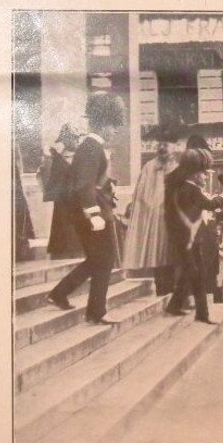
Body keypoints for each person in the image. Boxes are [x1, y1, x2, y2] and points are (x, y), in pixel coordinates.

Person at [46, 92, 126, 325]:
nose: (114, 130)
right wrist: (93, 214)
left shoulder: (92, 146)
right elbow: (83, 183)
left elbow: (90, 180)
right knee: (105, 259)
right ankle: (96, 312)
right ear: (102, 122)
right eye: (112, 125)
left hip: (91, 210)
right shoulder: (91, 146)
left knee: (97, 259)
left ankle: (59, 294)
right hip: (90, 213)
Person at [164, 147, 223, 323]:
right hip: (187, 239)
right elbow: (210, 204)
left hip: (188, 239)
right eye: (204, 173)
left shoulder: (186, 188)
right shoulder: (191, 189)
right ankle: (202, 315)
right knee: (196, 274)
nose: (206, 176)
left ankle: (176, 305)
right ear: (195, 174)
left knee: (193, 273)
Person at [121, 123, 183, 279]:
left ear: (175, 147)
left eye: (166, 145)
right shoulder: (149, 167)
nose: (162, 147)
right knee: (158, 257)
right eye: (160, 144)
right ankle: (162, 289)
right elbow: (141, 196)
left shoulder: (179, 167)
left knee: (175, 258)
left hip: (175, 221)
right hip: (156, 221)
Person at [40, 122, 84, 259]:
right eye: (73, 137)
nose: (77, 141)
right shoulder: (58, 160)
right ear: (66, 139)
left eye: (77, 138)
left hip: (79, 202)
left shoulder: (82, 157)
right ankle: (63, 252)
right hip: (63, 204)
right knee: (64, 229)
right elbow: (53, 181)